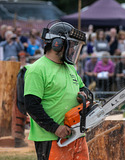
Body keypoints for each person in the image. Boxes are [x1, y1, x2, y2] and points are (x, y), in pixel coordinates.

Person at [24, 22, 89, 160]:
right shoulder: (37, 70)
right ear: (57, 44)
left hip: (76, 134)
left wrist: (83, 95)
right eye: (71, 46)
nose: (72, 50)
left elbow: (82, 87)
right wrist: (55, 128)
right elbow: (31, 105)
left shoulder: (70, 67)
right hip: (52, 138)